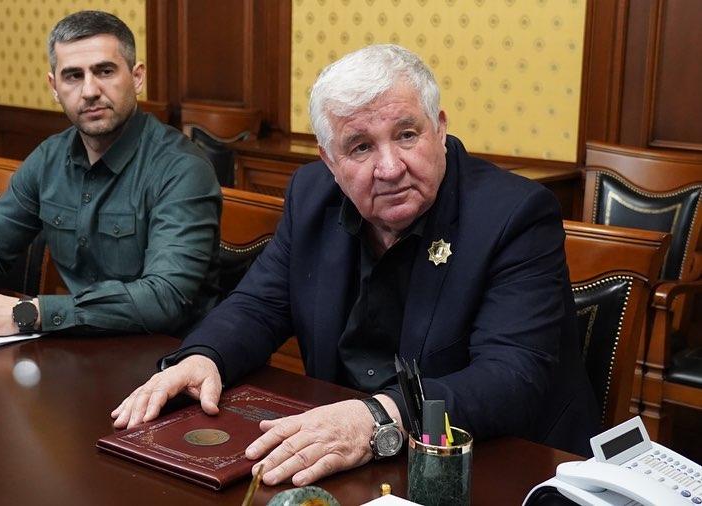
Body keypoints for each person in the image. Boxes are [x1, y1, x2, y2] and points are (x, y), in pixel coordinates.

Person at [112, 44, 598, 486]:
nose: (389, 168)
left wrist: (378, 418)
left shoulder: (514, 214)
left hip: (497, 466)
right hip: (349, 459)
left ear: (440, 128)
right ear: (329, 159)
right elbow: (260, 303)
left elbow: (511, 378)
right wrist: (204, 357)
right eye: (361, 146)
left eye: (407, 135)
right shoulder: (312, 195)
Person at [0, 11, 220, 337]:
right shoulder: (49, 158)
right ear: (54, 87)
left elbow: (164, 298)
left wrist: (30, 313)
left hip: (169, 353)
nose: (90, 90)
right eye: (73, 76)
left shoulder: (182, 168)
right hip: (77, 347)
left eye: (105, 71)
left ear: (137, 77)